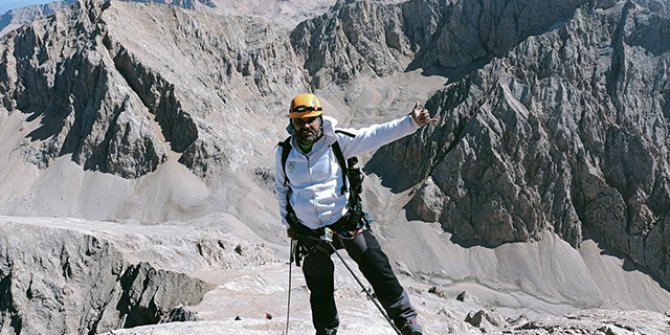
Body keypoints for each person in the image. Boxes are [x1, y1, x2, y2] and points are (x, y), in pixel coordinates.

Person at [274, 93, 436, 335]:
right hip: (309, 230)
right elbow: (282, 188)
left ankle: (406, 319)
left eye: (310, 120)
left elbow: (375, 134)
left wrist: (411, 123)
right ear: (292, 124)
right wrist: (289, 223)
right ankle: (326, 330)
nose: (306, 126)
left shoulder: (337, 141)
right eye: (300, 122)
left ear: (320, 119)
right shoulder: (284, 152)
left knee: (376, 264)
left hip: (344, 221)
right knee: (319, 283)